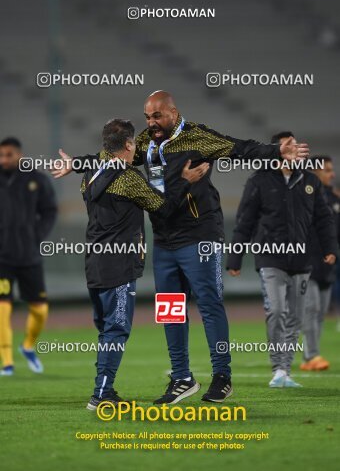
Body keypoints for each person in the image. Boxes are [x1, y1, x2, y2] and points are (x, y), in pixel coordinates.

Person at [52, 91, 309, 404]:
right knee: (171, 310)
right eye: (147, 117)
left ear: (173, 112)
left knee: (209, 303)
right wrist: (78, 164)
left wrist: (276, 151)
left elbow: (240, 148)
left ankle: (222, 376)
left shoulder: (197, 137)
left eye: (157, 116)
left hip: (199, 234)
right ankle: (181, 378)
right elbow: (112, 157)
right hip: (164, 238)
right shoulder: (144, 141)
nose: (151, 123)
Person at [53, 119, 209, 410]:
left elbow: (95, 161)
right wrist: (185, 181)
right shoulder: (128, 177)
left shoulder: (91, 172)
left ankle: (104, 388)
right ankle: (101, 393)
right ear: (127, 145)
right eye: (133, 142)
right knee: (116, 329)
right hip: (120, 263)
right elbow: (162, 208)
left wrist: (75, 163)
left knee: (106, 329)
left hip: (94, 261)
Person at [227, 132, 337, 387]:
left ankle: (285, 371)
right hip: (270, 258)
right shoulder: (259, 181)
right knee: (276, 310)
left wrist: (330, 247)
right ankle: (278, 368)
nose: (295, 149)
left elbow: (323, 218)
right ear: (276, 150)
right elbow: (245, 221)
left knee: (295, 316)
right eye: (288, 145)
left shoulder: (310, 180)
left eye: (296, 145)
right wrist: (235, 258)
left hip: (302, 259)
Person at [0, 137, 57, 376]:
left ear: (19, 155)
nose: (4, 160)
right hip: (2, 258)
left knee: (40, 309)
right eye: (1, 155)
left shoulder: (36, 179)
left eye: (8, 155)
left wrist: (37, 236)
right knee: (2, 307)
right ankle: (7, 361)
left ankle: (28, 346)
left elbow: (50, 210)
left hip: (29, 254)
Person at [300, 156, 340, 371]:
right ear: (315, 172)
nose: (332, 174)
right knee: (312, 308)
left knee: (321, 311)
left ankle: (311, 354)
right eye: (327, 170)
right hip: (306, 263)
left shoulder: (333, 199)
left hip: (327, 265)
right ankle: (310, 356)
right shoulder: (304, 195)